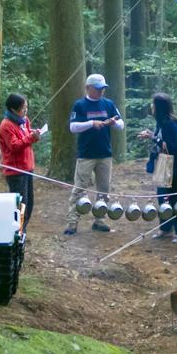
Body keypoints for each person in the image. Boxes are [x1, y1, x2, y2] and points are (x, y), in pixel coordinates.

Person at [65, 73, 124, 234]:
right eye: (97, 89)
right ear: (88, 88)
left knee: (103, 190)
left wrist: (114, 122)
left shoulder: (108, 104)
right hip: (86, 154)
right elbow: (73, 127)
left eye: (103, 89)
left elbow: (121, 124)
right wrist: (92, 123)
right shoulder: (80, 105)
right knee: (79, 189)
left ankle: (100, 219)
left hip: (105, 154)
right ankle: (72, 222)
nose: (100, 92)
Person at [142, 92, 177, 242]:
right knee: (162, 197)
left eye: (153, 104)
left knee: (173, 197)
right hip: (162, 163)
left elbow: (171, 146)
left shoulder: (170, 123)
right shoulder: (161, 121)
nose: (151, 106)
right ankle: (166, 228)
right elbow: (161, 141)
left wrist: (153, 137)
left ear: (159, 107)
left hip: (170, 164)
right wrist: (151, 135)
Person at [0, 93, 47, 232]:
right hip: (15, 171)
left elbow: (26, 135)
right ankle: (17, 233)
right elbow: (14, 146)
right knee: (20, 205)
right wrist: (31, 137)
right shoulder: (6, 125)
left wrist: (35, 134)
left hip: (27, 168)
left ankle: (22, 231)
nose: (25, 110)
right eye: (23, 108)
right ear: (13, 109)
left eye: (26, 107)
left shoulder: (24, 121)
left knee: (29, 204)